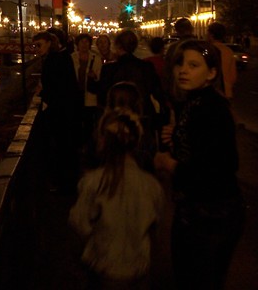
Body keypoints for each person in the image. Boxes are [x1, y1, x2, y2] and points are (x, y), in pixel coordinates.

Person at [154, 40, 245, 289]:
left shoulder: (211, 108)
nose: (183, 70)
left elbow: (216, 170)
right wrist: (179, 133)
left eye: (194, 65)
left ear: (212, 73)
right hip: (197, 211)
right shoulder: (195, 102)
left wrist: (168, 163)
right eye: (180, 64)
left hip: (211, 217)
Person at [70, 109, 164, 289]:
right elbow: (155, 226)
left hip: (105, 266)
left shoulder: (93, 182)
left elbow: (79, 223)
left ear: (102, 141)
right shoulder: (152, 185)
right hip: (139, 267)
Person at [96, 30, 169, 168]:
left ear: (117, 46)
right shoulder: (146, 67)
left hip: (117, 118)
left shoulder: (109, 69)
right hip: (143, 115)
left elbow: (102, 96)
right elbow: (158, 92)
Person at [37, 28, 81, 194]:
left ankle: (62, 184)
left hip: (60, 113)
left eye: (39, 45)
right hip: (67, 111)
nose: (38, 49)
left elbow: (56, 87)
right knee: (66, 148)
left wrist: (42, 92)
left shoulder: (54, 60)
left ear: (50, 43)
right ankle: (68, 182)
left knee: (61, 148)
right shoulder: (63, 57)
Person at [72, 33, 103, 157]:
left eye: (86, 42)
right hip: (75, 97)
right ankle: (79, 146)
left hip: (90, 96)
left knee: (89, 123)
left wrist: (94, 77)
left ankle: (89, 147)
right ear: (77, 44)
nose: (84, 44)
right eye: (81, 42)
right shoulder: (71, 58)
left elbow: (100, 77)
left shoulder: (96, 58)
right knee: (77, 123)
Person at [162, 17, 195, 94]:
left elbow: (167, 72)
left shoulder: (174, 48)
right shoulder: (201, 47)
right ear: (191, 29)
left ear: (177, 31)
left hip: (178, 91)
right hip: (198, 89)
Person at [207, 22, 237, 98]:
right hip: (226, 92)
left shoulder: (207, 50)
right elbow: (233, 76)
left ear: (211, 35)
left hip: (210, 93)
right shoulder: (228, 51)